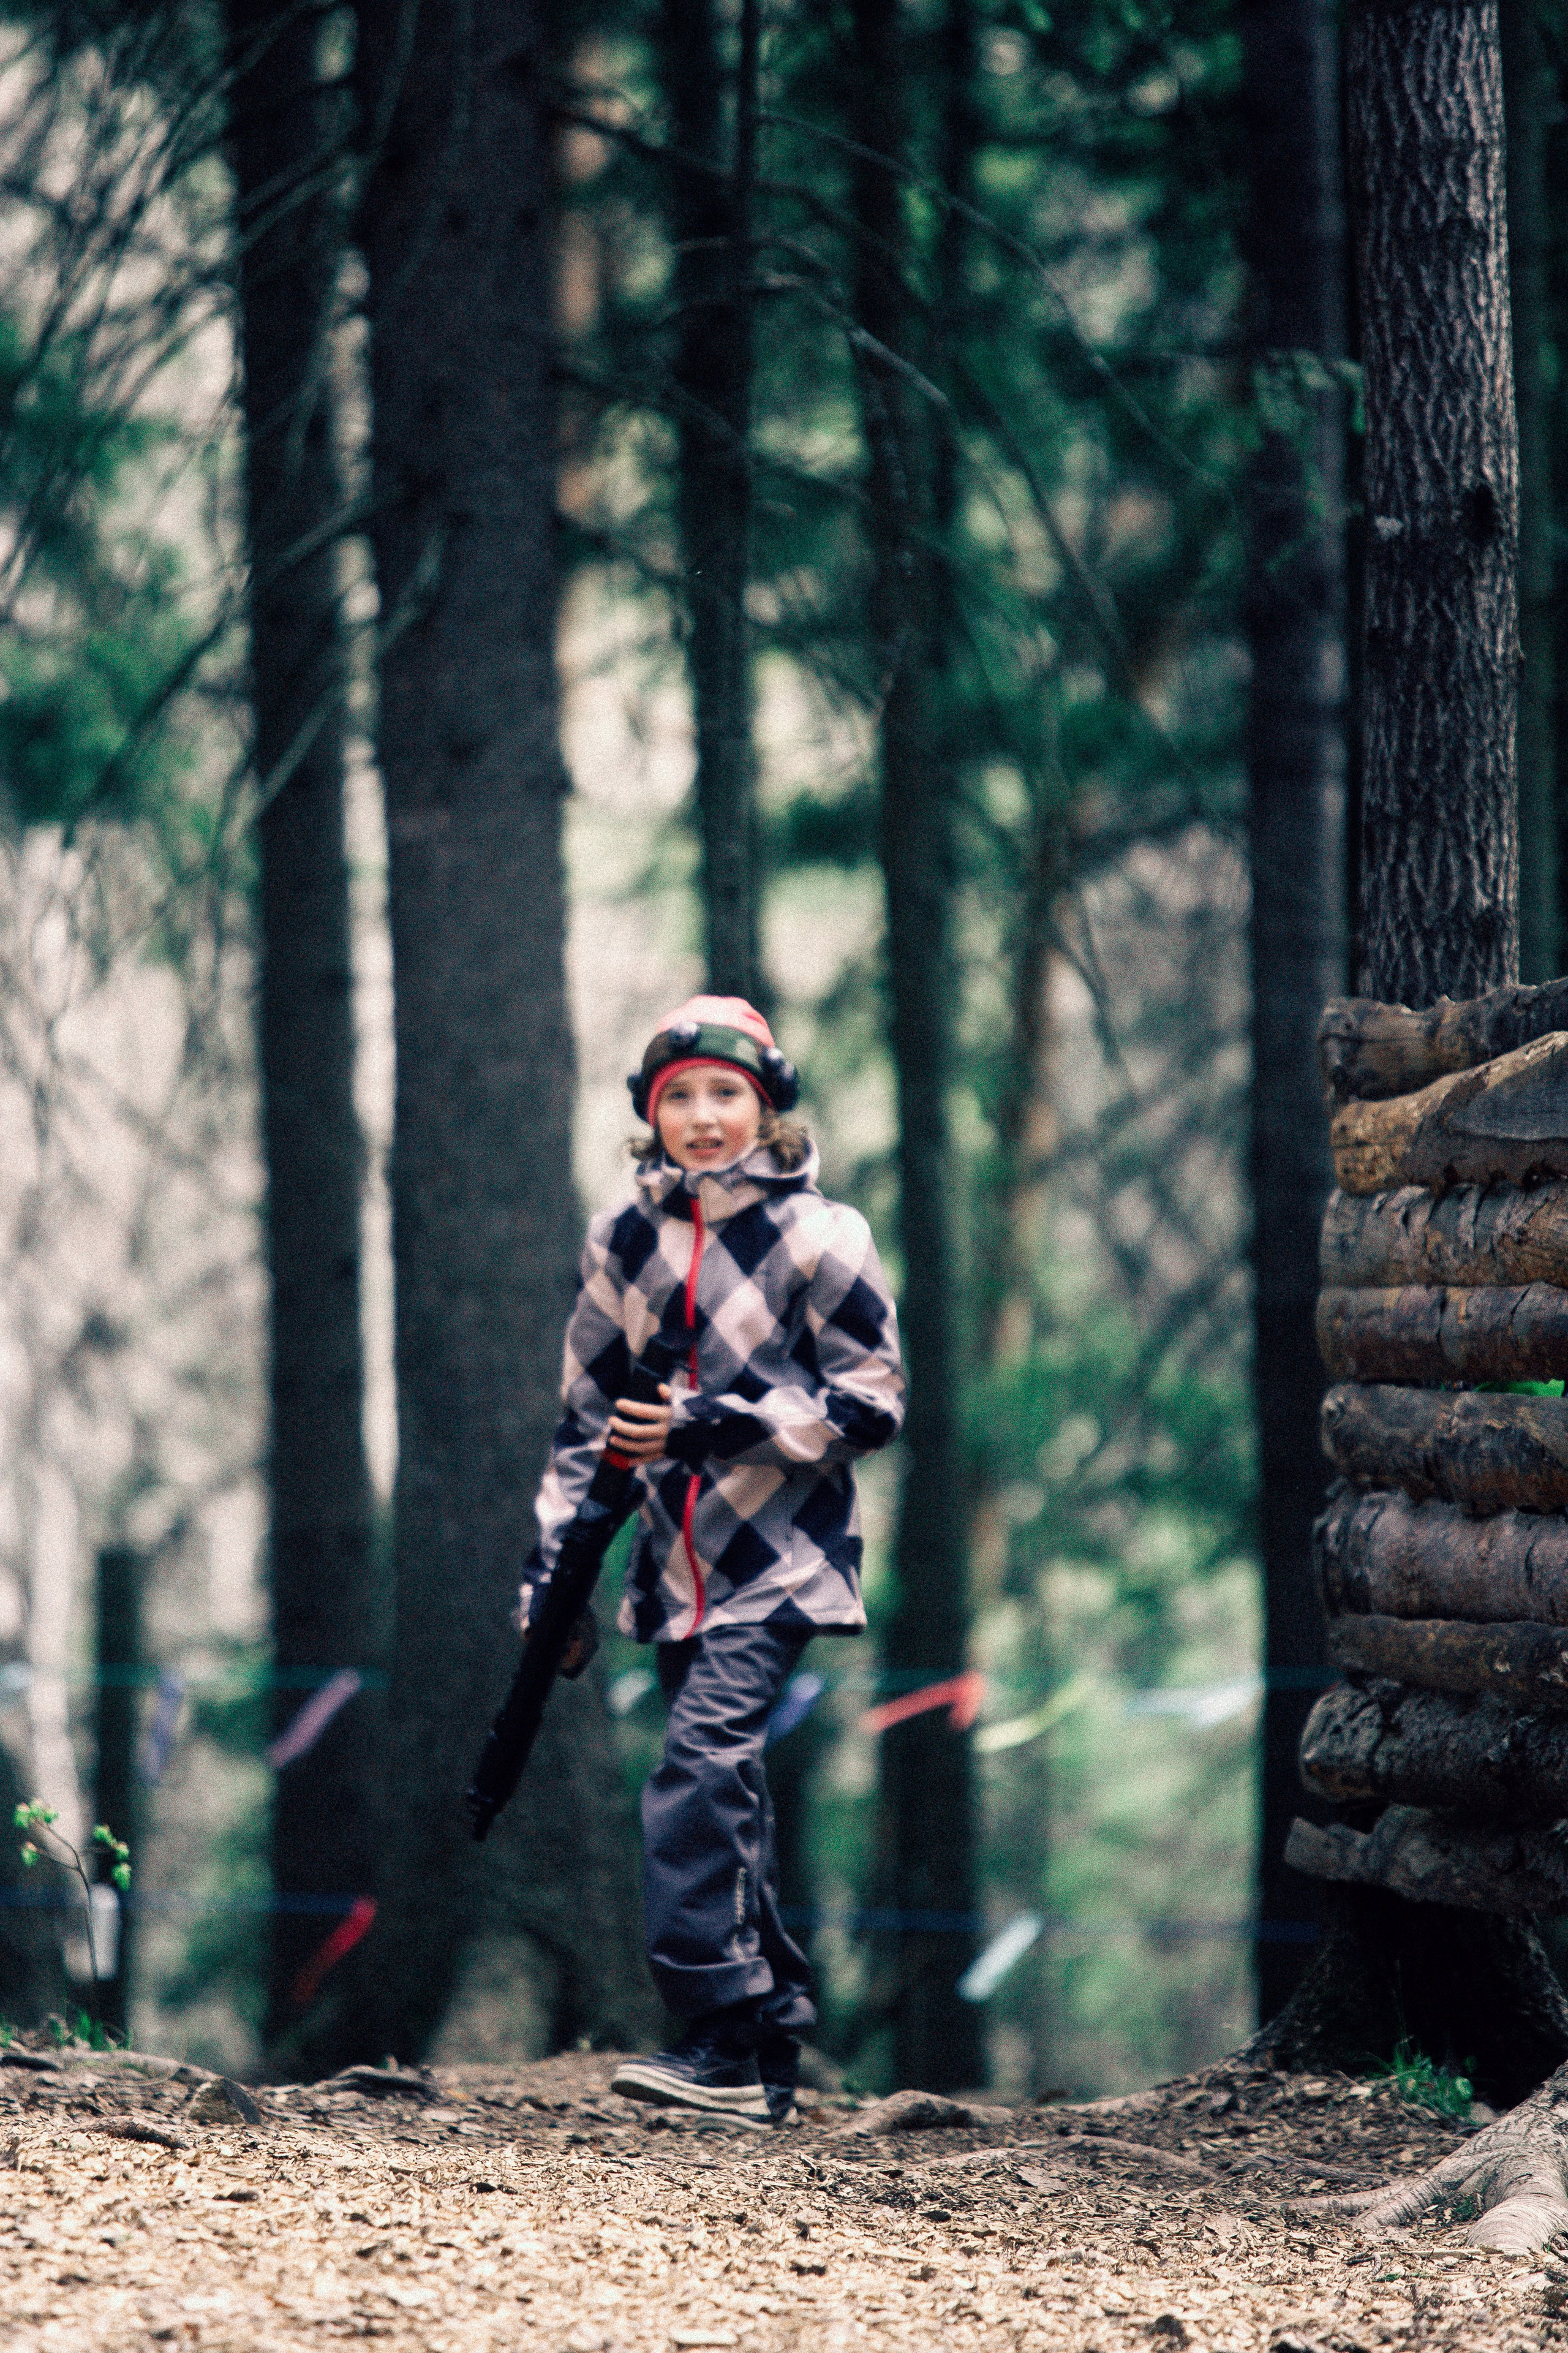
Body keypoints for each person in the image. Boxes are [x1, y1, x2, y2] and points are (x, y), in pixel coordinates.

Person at [516, 995, 905, 2122]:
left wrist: (708, 1422)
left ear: (767, 1104)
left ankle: (721, 2041)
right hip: (669, 1575)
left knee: (695, 1772)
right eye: (677, 1096)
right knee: (723, 1791)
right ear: (650, 1114)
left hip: (783, 1560)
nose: (701, 1115)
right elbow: (585, 1420)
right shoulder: (623, 1240)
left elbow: (872, 1403)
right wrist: (554, 1584)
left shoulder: (827, 1236)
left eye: (724, 1093)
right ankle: (765, 2042)